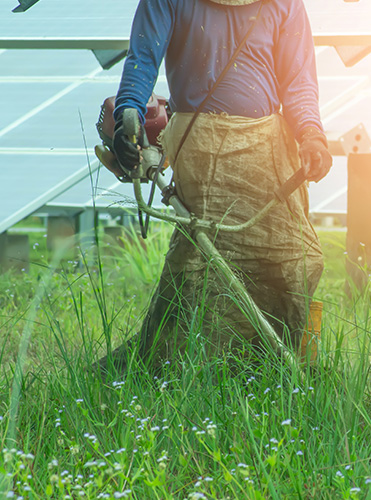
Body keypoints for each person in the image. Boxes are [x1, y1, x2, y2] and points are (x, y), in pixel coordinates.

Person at [97, 0, 331, 375]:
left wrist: (311, 135)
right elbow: (142, 62)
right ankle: (191, 370)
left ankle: (277, 370)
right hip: (201, 148)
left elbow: (299, 82)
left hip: (267, 148)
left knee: (295, 260)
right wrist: (129, 114)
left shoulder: (284, 4)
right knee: (201, 266)